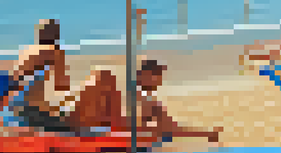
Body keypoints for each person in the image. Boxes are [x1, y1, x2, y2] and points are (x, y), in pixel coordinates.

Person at [67, 59, 221, 141]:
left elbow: (171, 127)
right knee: (104, 76)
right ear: (145, 75)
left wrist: (203, 134)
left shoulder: (145, 100)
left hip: (80, 121)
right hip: (84, 124)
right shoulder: (123, 87)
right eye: (157, 78)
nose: (159, 83)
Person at [2, 20, 72, 130]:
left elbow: (16, 80)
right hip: (30, 110)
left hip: (10, 108)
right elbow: (61, 85)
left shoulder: (27, 51)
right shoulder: (55, 52)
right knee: (71, 126)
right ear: (57, 35)